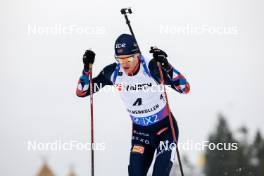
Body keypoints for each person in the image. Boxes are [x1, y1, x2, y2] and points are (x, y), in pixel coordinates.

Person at [76, 34, 190, 176]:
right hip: (140, 134)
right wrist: (87, 69)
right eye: (120, 59)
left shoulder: (151, 68)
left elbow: (184, 88)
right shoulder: (113, 73)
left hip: (165, 130)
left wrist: (166, 66)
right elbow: (83, 92)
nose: (125, 64)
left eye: (128, 58)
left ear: (137, 55)